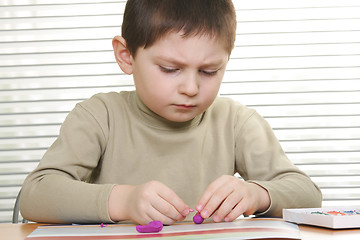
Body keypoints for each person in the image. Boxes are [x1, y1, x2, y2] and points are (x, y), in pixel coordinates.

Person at [20, 0, 322, 225]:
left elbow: (308, 194)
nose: (190, 87)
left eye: (209, 71)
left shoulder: (236, 122)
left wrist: (257, 194)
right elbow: (36, 195)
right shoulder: (100, 116)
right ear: (126, 57)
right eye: (170, 69)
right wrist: (124, 201)